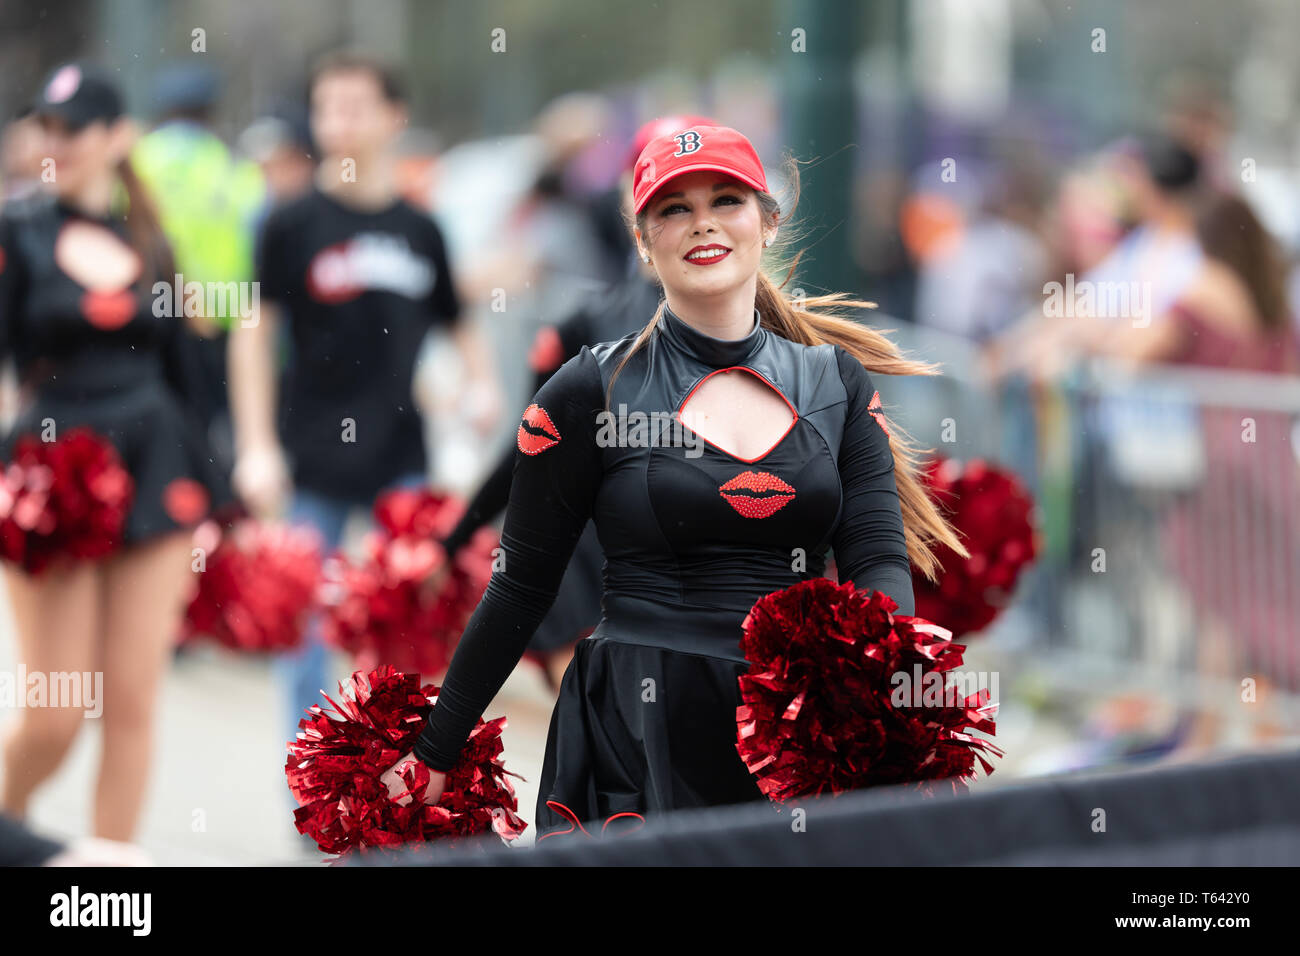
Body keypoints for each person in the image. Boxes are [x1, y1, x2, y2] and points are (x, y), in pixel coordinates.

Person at [381, 124, 969, 838]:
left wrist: (881, 702)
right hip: (637, 732)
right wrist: (438, 746)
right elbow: (522, 583)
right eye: (674, 209)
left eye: (726, 200)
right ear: (642, 241)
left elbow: (877, 558)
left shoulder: (833, 381)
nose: (703, 224)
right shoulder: (591, 386)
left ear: (767, 221)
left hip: (791, 735)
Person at [226, 52, 502, 761]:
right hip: (309, 454)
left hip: (401, 452)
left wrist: (482, 385)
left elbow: (457, 317)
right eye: (327, 106)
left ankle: (388, 779)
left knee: (404, 621)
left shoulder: (420, 227)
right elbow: (253, 337)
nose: (338, 120)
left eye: (355, 104)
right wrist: (254, 446)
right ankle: (315, 785)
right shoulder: (287, 223)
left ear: (394, 118)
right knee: (305, 627)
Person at [0, 62, 229, 841]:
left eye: (75, 129)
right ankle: (10, 828)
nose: (55, 143)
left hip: (155, 465)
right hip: (53, 464)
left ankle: (109, 878)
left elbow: (190, 373)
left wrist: (229, 486)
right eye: (49, 127)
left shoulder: (148, 235)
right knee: (57, 714)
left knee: (131, 702)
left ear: (115, 137)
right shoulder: (17, 229)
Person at [437, 115, 712, 692]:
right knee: (613, 745)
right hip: (591, 584)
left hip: (709, 600)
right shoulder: (584, 329)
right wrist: (453, 540)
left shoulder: (784, 342)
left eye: (714, 197)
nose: (692, 218)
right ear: (630, 201)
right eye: (670, 199)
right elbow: (529, 451)